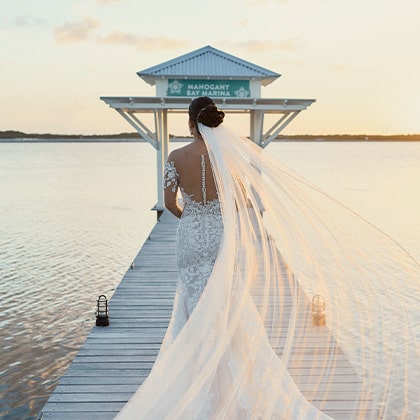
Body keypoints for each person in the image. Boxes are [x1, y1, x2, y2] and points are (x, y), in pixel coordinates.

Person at [116, 97, 419, 419]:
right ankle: (230, 377)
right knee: (226, 300)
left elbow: (169, 204)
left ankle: (196, 379)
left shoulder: (175, 157)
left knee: (193, 304)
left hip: (190, 237)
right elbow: (240, 199)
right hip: (219, 234)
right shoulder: (226, 157)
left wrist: (193, 216)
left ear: (190, 123)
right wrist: (219, 214)